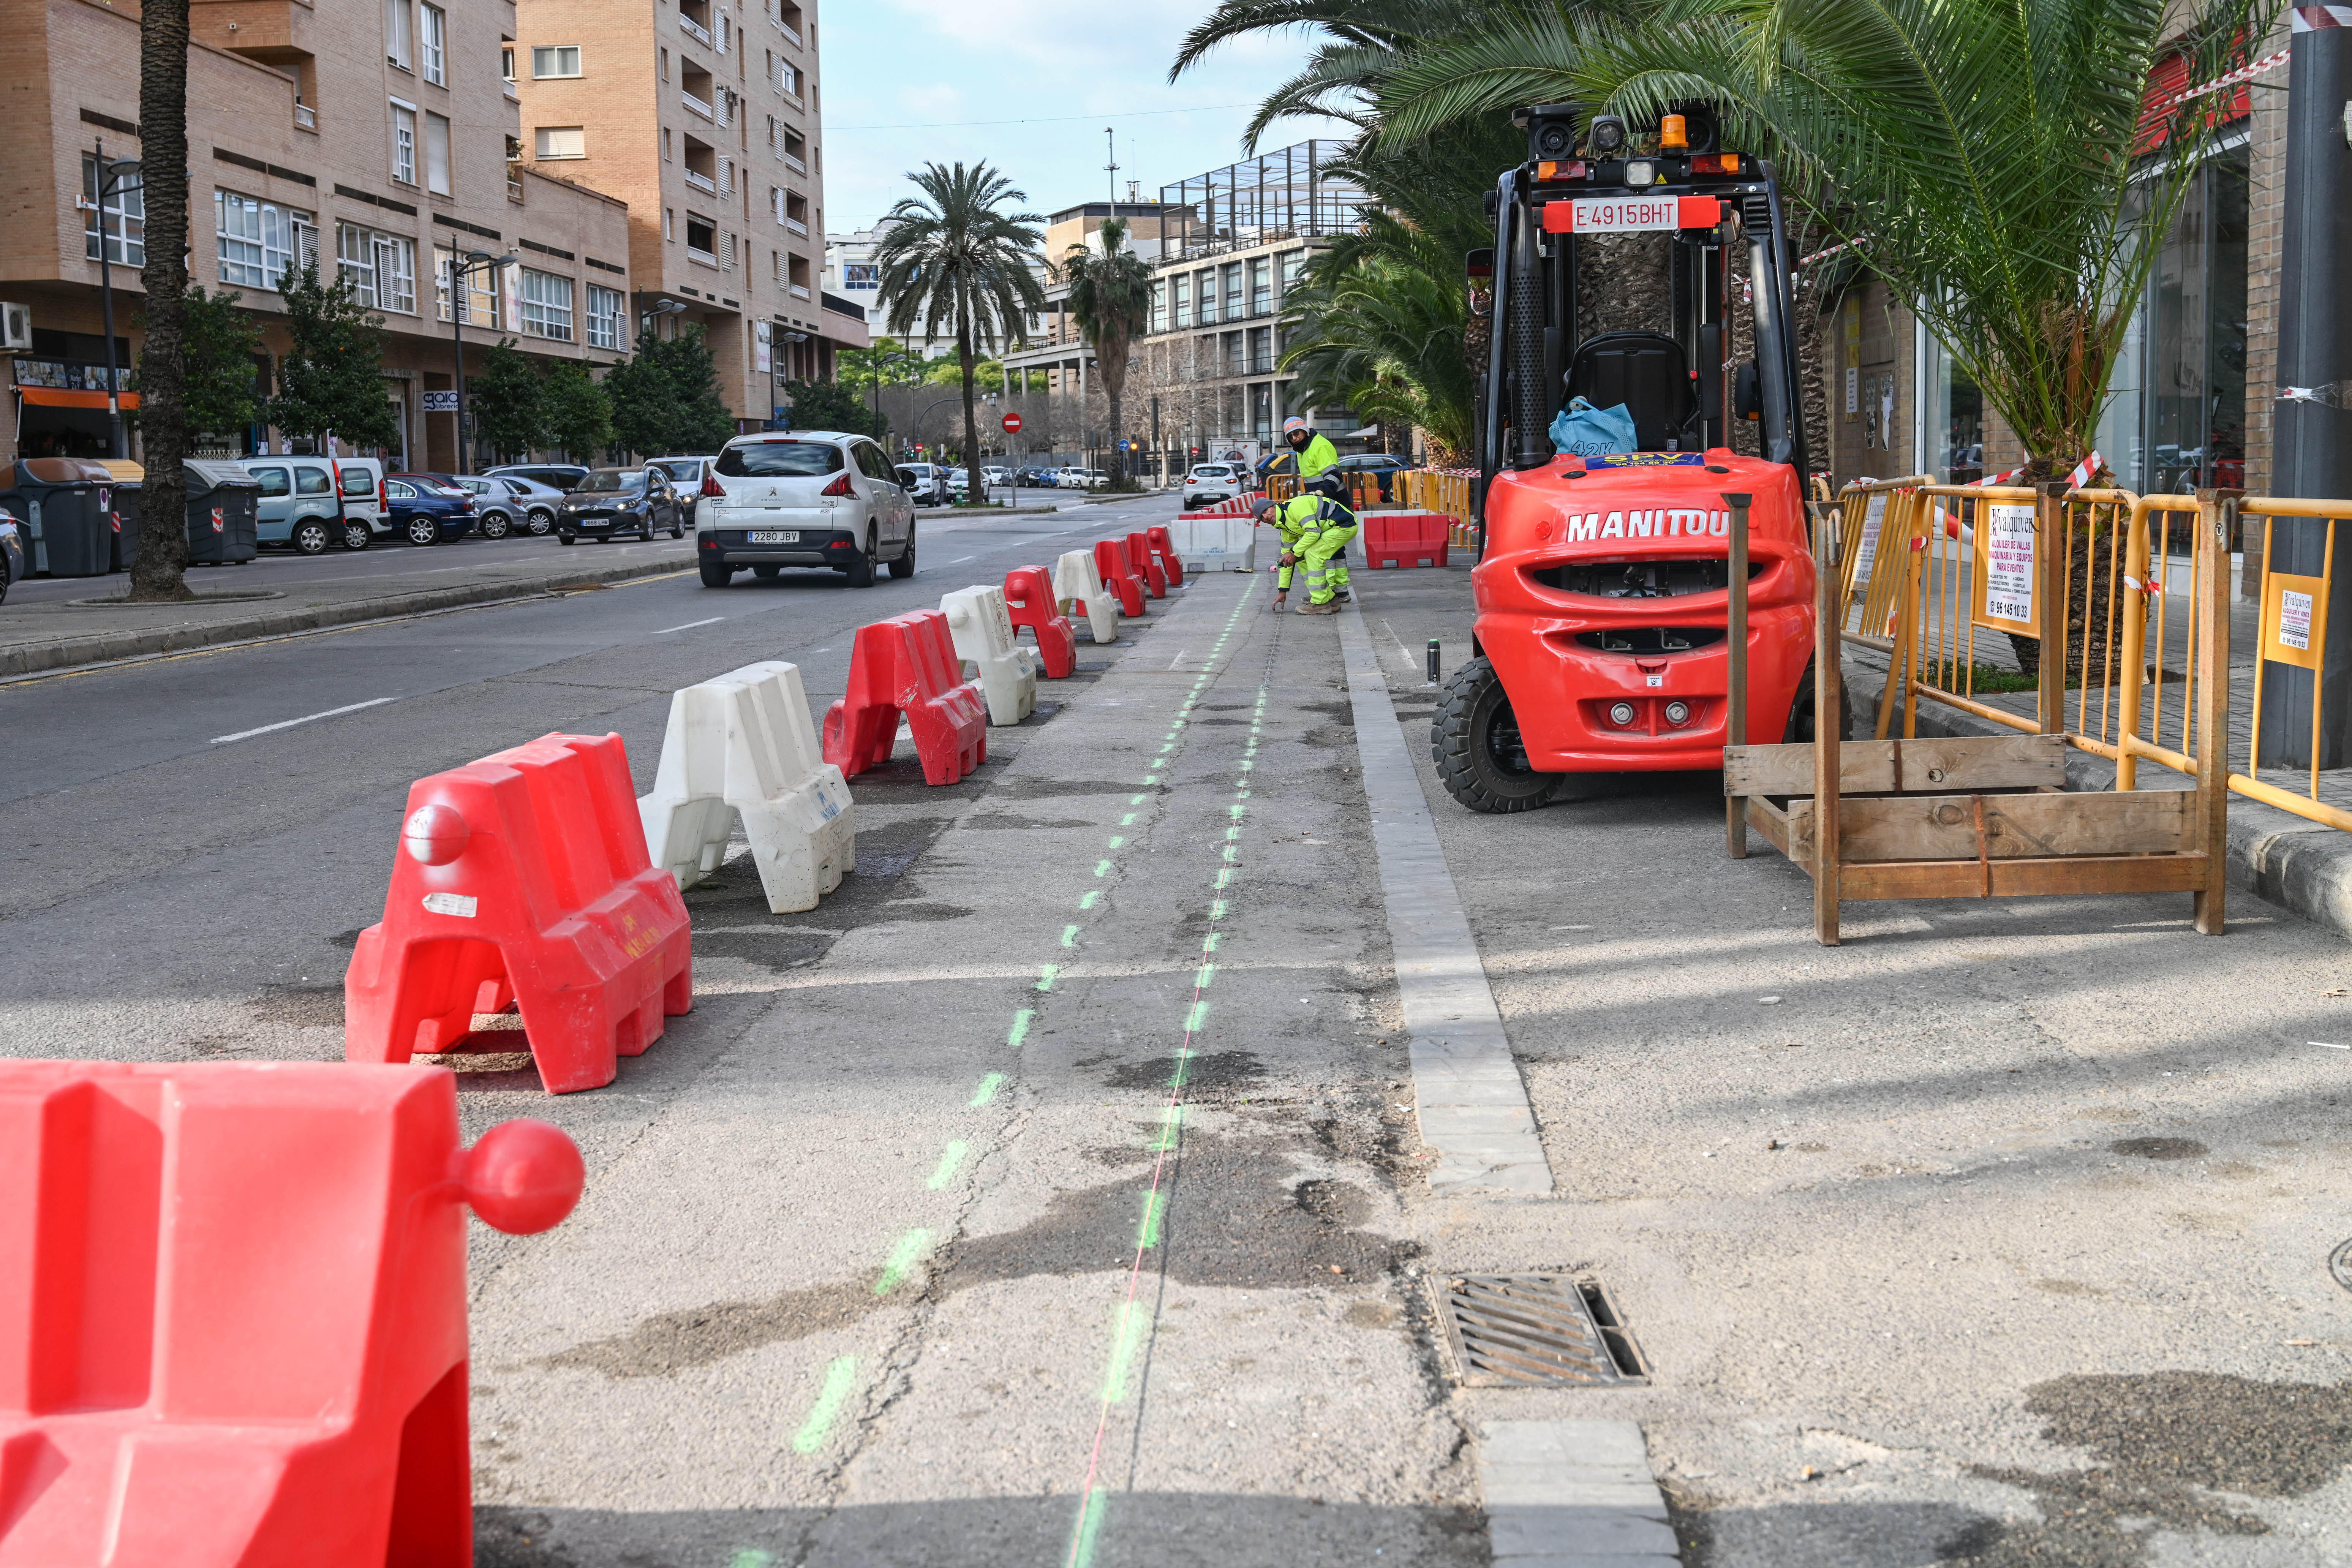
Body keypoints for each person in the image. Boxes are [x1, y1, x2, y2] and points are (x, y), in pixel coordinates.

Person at [1253, 492, 1356, 615]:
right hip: (1330, 529)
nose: (1266, 517)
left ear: (1274, 506)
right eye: (1262, 517)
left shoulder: (1295, 507)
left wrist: (1293, 552)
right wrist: (1283, 591)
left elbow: (1313, 532)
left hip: (1344, 525)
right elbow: (1286, 561)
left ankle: (1320, 603)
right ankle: (1330, 599)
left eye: (1266, 511)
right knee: (1299, 559)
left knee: (1313, 554)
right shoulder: (1285, 528)